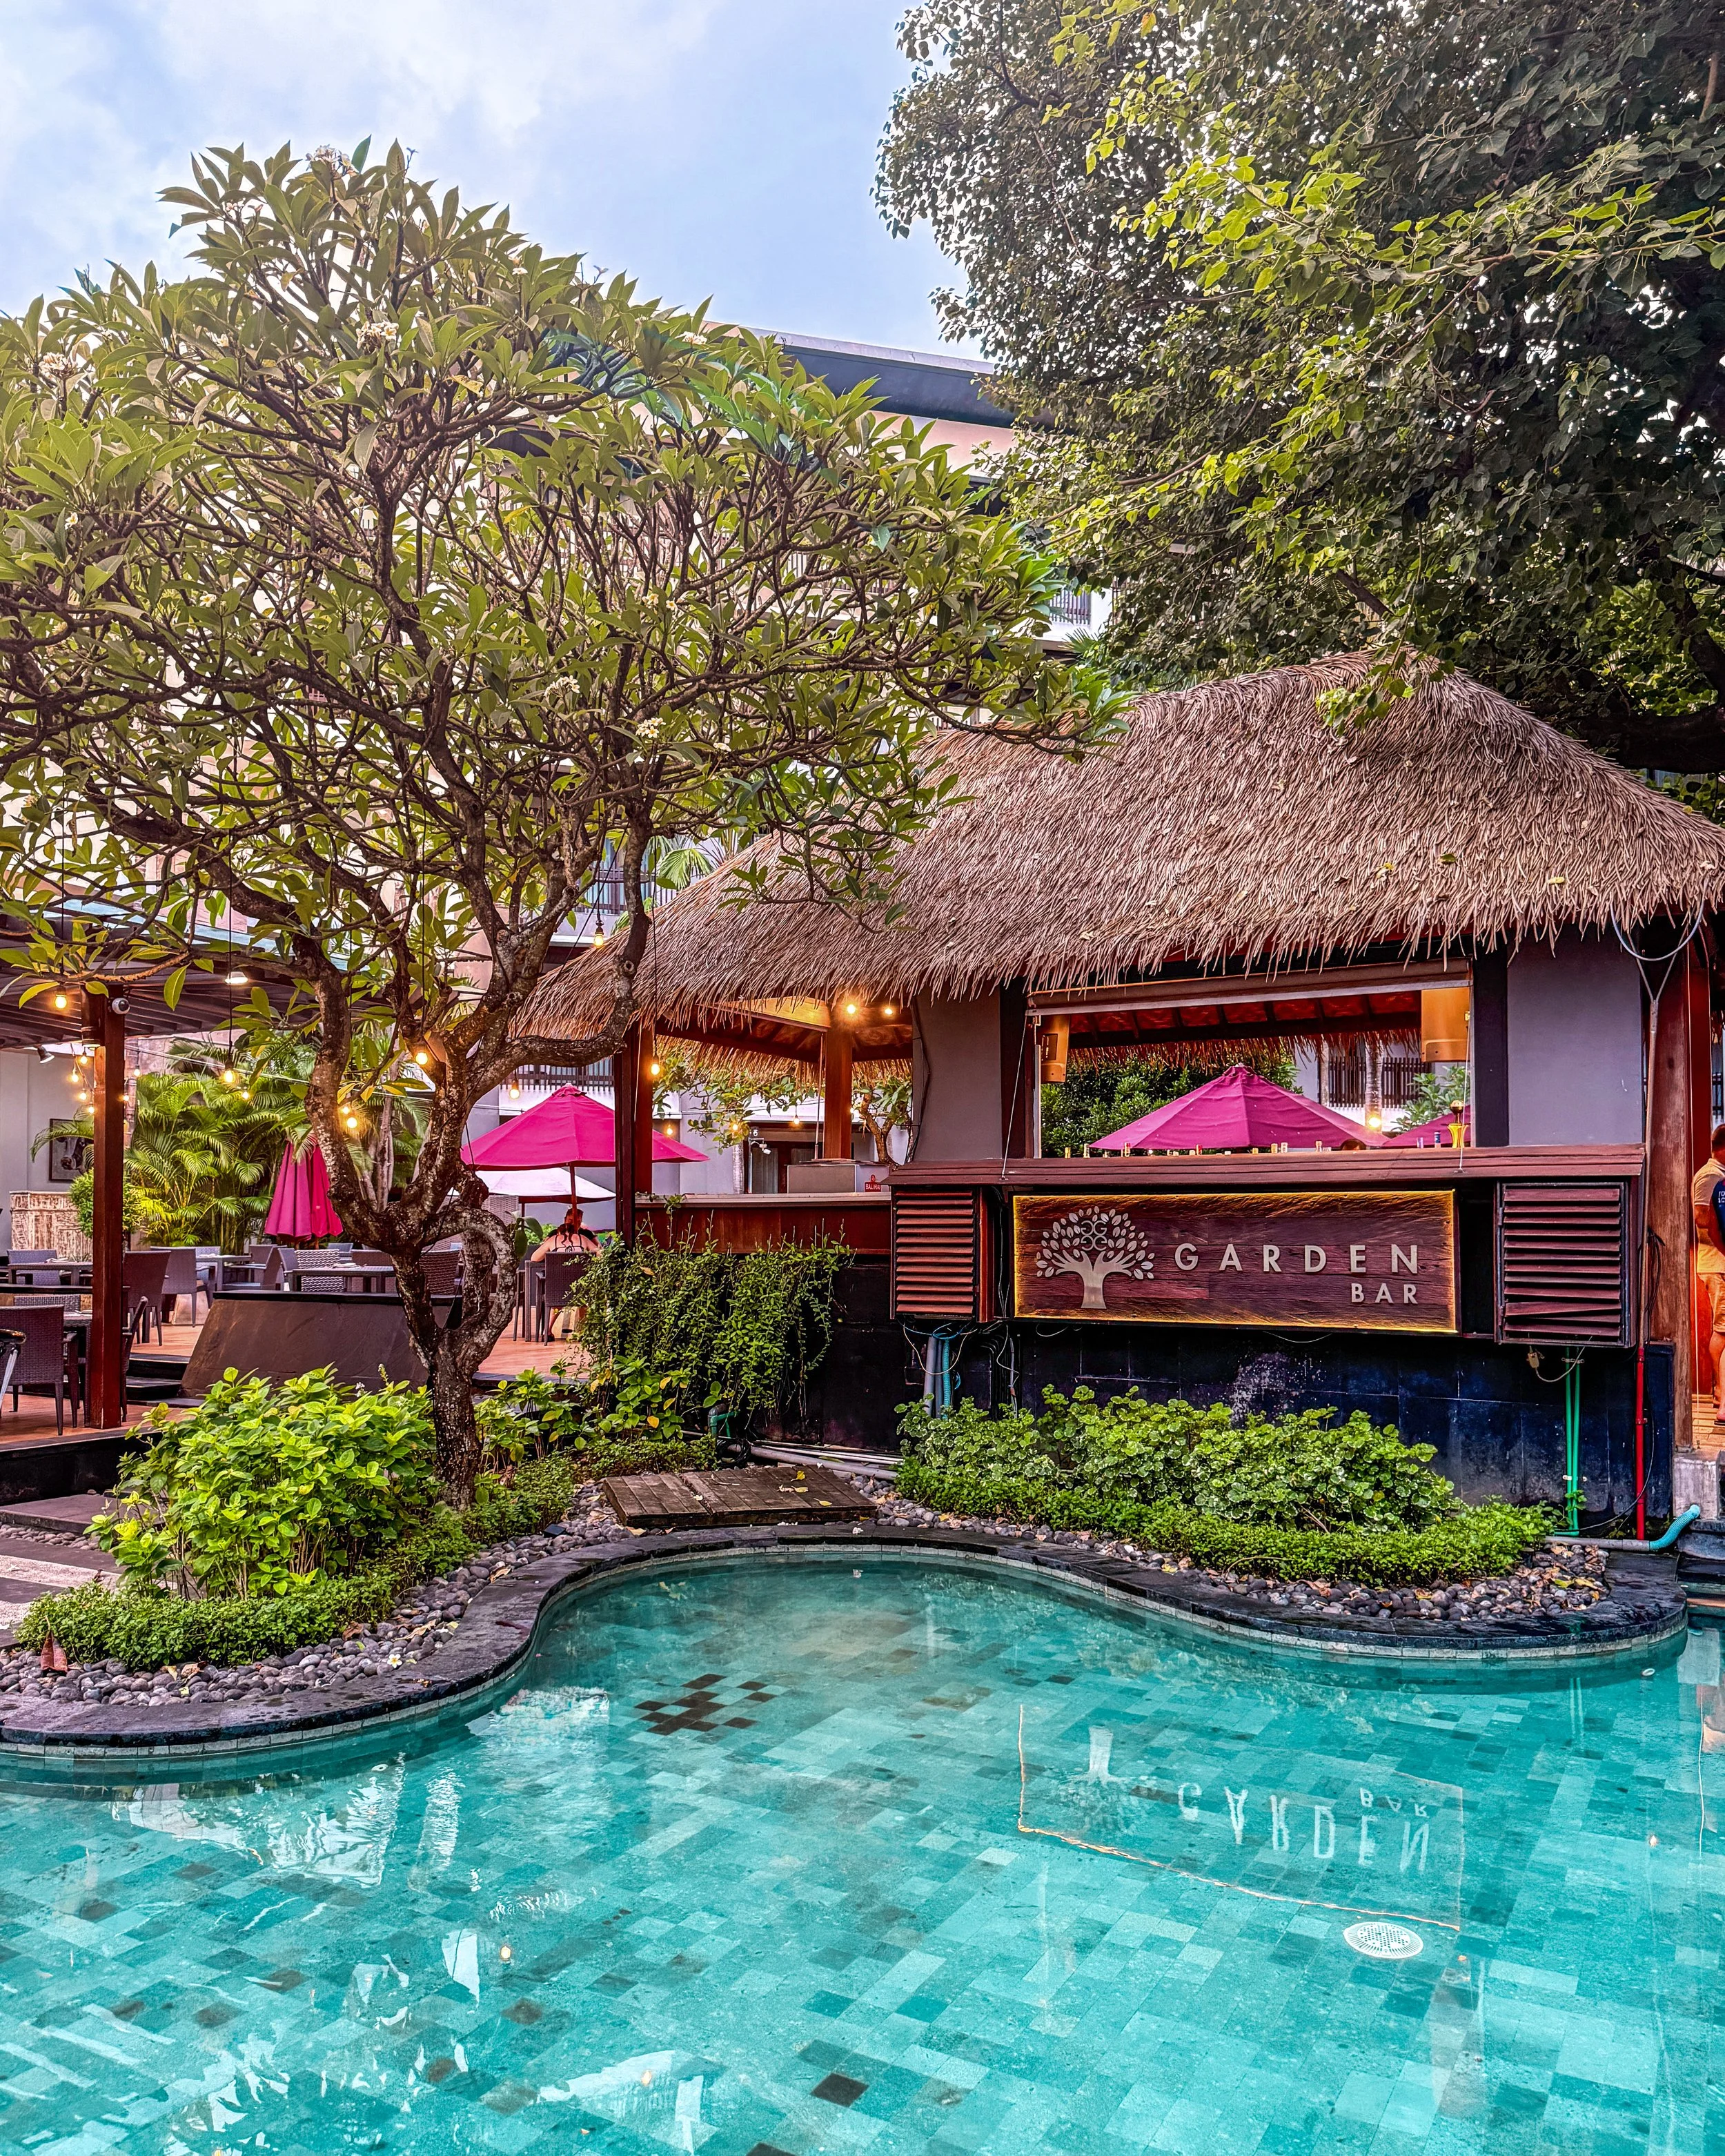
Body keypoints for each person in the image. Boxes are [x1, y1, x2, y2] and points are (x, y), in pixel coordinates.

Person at [526, 1201, 598, 1341]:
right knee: (584, 1299)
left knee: (558, 1299)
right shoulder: (583, 1238)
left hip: (558, 1289)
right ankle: (584, 1332)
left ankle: (547, 1331)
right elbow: (600, 1253)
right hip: (580, 1288)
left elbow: (534, 1258)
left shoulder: (553, 1239)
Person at [1693, 1123, 1725, 1432]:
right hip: (1717, 1263)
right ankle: (1719, 1392)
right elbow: (1702, 1219)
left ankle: (1720, 1392)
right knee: (1723, 1328)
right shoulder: (1709, 1176)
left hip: (1718, 1261)